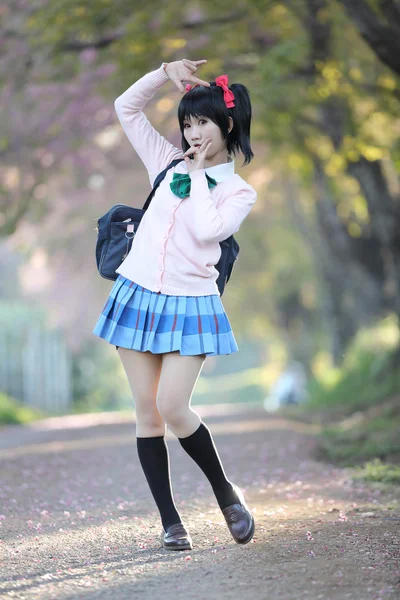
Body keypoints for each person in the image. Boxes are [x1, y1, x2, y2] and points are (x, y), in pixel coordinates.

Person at [93, 58, 257, 551]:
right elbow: (126, 107)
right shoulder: (166, 164)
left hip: (191, 306)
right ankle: (170, 521)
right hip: (136, 295)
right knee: (148, 412)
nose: (192, 132)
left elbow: (209, 230)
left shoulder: (238, 191)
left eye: (202, 122)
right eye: (187, 123)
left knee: (173, 405)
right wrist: (165, 72)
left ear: (227, 125)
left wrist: (202, 173)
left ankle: (226, 493)